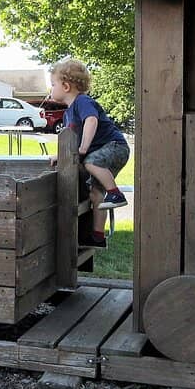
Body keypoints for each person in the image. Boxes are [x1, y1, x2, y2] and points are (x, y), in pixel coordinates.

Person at [49, 59, 130, 248]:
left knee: (91, 162)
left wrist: (83, 148)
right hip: (103, 152)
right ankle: (98, 236)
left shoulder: (82, 102)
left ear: (66, 86)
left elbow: (91, 120)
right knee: (95, 193)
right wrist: (62, 157)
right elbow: (71, 142)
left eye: (53, 84)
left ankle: (116, 194)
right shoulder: (68, 114)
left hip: (114, 146)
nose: (50, 89)